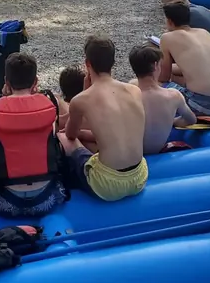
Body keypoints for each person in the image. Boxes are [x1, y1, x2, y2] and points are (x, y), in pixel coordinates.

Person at [0, 53, 68, 218]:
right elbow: (68, 112)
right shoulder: (51, 101)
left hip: (5, 201)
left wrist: (4, 97)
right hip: (47, 199)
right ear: (36, 81)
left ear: (6, 82)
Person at [61, 35, 148, 202]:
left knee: (63, 137)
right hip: (140, 176)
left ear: (88, 64)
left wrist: (84, 92)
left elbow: (71, 135)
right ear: (113, 62)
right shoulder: (134, 90)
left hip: (107, 186)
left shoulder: (81, 100)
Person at [158, 1, 210, 117]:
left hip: (199, 104)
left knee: (156, 84)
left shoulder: (167, 38)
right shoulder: (204, 32)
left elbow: (163, 77)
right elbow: (196, 67)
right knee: (177, 76)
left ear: (169, 21)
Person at [128, 44, 196, 155]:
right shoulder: (174, 96)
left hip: (131, 156)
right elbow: (192, 120)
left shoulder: (127, 95)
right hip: (155, 153)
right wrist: (172, 121)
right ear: (156, 66)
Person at [160, 0, 210, 65]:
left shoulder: (188, 16)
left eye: (167, 6)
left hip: (207, 66)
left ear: (177, 0)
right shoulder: (203, 9)